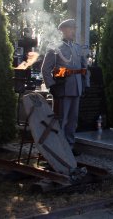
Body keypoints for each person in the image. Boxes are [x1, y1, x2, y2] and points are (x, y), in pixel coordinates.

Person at [41, 19, 89, 155]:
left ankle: (69, 146)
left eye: (74, 29)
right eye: (70, 29)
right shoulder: (54, 48)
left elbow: (84, 68)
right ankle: (57, 148)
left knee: (73, 120)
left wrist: (85, 85)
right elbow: (45, 70)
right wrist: (52, 86)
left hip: (77, 88)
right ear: (62, 30)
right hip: (62, 88)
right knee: (61, 120)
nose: (73, 31)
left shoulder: (77, 48)